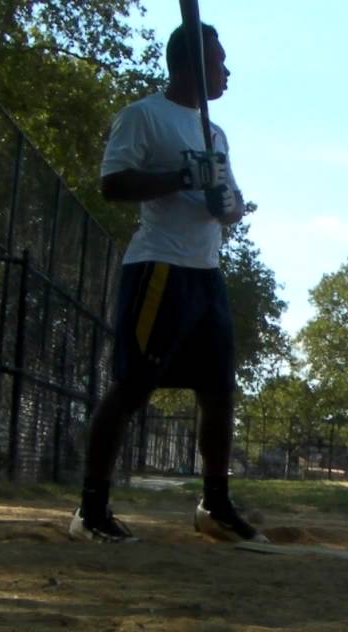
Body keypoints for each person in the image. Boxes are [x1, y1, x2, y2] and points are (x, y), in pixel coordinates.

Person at [69, 22, 267, 543]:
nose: (226, 71)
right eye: (218, 62)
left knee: (220, 390)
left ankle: (215, 506)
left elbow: (230, 203)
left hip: (207, 275)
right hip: (159, 269)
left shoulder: (214, 132)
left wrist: (227, 205)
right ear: (189, 67)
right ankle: (90, 510)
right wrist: (183, 178)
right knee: (134, 386)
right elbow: (113, 183)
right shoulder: (143, 116)